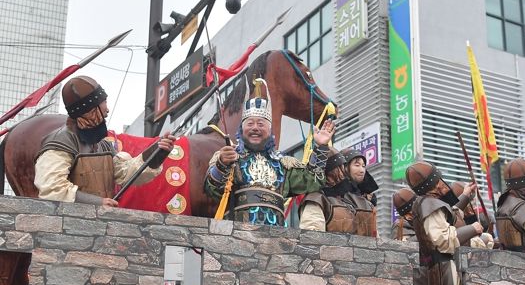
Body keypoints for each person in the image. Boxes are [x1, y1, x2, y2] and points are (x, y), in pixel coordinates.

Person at [204, 78, 334, 226]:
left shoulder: (284, 163)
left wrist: (320, 147)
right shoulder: (230, 157)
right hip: (238, 232)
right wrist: (222, 164)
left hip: (276, 233)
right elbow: (212, 190)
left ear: (269, 130)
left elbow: (312, 181)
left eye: (260, 124)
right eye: (250, 123)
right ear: (242, 129)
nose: (255, 128)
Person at [34, 76, 175, 206]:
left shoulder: (102, 144)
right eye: (103, 103)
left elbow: (125, 173)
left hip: (99, 221)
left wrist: (157, 153)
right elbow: (52, 188)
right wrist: (97, 202)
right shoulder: (61, 141)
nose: (107, 110)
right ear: (90, 110)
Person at [298, 149, 360, 285]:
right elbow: (312, 241)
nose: (343, 172)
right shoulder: (316, 199)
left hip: (348, 279)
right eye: (339, 167)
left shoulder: (347, 201)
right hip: (325, 282)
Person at [341, 148, 378, 236]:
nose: (362, 170)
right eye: (357, 165)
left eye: (363, 166)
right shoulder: (335, 195)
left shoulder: (367, 199)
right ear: (345, 167)